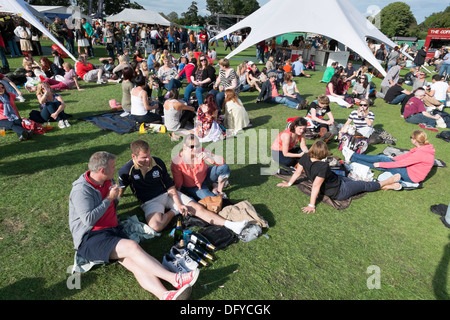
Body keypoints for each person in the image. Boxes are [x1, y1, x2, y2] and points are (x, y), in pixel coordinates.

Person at [69, 151, 198, 300]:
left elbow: (112, 205)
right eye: (112, 167)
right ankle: (175, 279)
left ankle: (165, 295)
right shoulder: (81, 190)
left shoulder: (107, 181)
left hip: (112, 230)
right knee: (132, 247)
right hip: (91, 238)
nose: (115, 169)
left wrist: (114, 199)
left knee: (136, 263)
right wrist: (109, 199)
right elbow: (88, 219)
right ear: (101, 171)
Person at [118, 140, 248, 233]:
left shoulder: (157, 162)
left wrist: (178, 203)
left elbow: (170, 185)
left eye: (149, 155)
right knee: (156, 226)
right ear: (133, 156)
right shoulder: (125, 170)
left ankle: (232, 225)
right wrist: (114, 205)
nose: (148, 159)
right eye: (143, 158)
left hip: (168, 194)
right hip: (150, 201)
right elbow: (121, 190)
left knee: (198, 208)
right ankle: (174, 212)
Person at [277, 140, 403, 213]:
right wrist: (311, 205)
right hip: (339, 192)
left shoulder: (305, 156)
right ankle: (387, 182)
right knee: (363, 184)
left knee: (354, 181)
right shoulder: (322, 166)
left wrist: (289, 183)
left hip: (338, 181)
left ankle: (383, 187)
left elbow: (298, 172)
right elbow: (315, 186)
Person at [342, 130, 435, 185]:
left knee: (382, 160)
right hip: (410, 171)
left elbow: (402, 163)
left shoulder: (421, 153)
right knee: (384, 159)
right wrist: (392, 159)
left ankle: (353, 155)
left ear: (414, 140)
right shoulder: (422, 148)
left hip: (411, 176)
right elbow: (406, 156)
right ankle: (353, 158)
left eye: (411, 137)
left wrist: (383, 163)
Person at [171, 134, 231, 200]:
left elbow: (222, 162)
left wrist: (209, 156)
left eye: (197, 145)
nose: (195, 149)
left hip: (205, 176)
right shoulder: (177, 162)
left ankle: (219, 191)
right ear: (184, 146)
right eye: (191, 146)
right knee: (213, 200)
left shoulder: (200, 150)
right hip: (193, 187)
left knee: (224, 168)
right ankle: (214, 186)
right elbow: (179, 183)